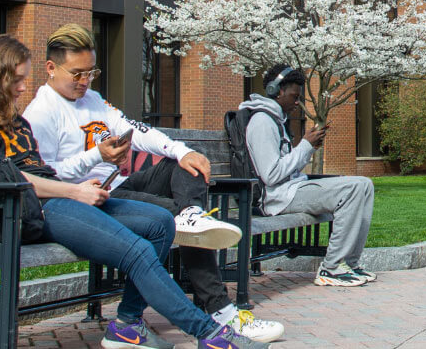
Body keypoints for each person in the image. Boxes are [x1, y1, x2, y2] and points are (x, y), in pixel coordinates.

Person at [0, 35, 267, 349]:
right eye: (16, 80)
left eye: (24, 78)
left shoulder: (10, 119)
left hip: (60, 197)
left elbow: (38, 169)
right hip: (37, 208)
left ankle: (127, 325)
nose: (23, 87)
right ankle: (208, 333)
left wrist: (77, 188)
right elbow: (9, 180)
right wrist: (73, 191)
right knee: (137, 250)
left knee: (161, 223)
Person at [18, 25, 281, 343]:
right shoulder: (42, 114)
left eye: (91, 72)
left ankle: (191, 215)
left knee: (186, 171)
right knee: (165, 219)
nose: (85, 81)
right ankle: (219, 314)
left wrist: (183, 151)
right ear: (50, 68)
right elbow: (46, 179)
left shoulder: (92, 100)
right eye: (76, 74)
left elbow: (136, 129)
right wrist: (94, 156)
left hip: (117, 187)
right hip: (81, 201)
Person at [240, 65, 380, 287]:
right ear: (276, 90)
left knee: (365, 184)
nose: (297, 103)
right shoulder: (262, 122)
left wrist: (310, 147)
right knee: (353, 188)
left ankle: (349, 263)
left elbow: (286, 167)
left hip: (292, 190)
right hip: (278, 198)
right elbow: (271, 174)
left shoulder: (276, 120)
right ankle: (332, 267)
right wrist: (305, 146)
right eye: (294, 96)